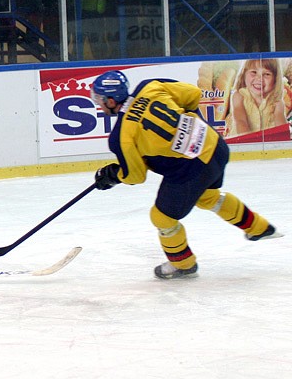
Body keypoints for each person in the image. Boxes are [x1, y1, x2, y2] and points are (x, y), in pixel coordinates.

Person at [89, 70, 282, 279]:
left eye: (99, 99)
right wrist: (191, 131)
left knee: (162, 217)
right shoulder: (150, 86)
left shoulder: (121, 136)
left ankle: (183, 264)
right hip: (215, 147)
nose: (99, 104)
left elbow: (135, 176)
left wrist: (112, 175)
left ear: (111, 100)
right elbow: (193, 95)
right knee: (207, 197)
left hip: (193, 168)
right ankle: (259, 227)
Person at [226, 59, 288, 137]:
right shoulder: (239, 96)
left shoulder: (277, 101)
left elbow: (281, 126)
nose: (259, 79)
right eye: (254, 72)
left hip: (269, 143)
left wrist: (283, 139)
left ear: (275, 78)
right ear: (244, 74)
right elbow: (240, 121)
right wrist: (250, 141)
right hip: (242, 141)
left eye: (267, 74)